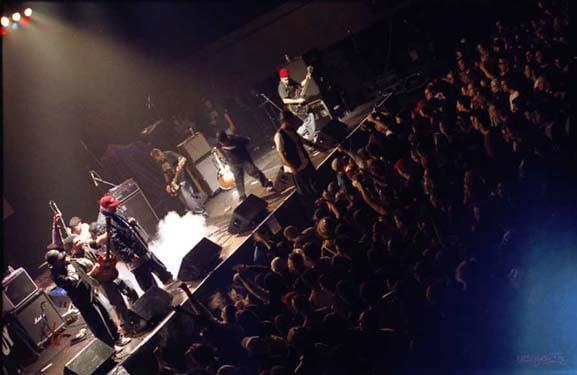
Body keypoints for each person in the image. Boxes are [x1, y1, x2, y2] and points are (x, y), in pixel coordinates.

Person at [44, 248, 129, 347]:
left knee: (106, 316)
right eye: (60, 259)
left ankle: (117, 338)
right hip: (83, 301)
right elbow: (73, 281)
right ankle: (110, 347)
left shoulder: (66, 265)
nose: (64, 259)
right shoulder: (57, 276)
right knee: (98, 324)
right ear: (55, 263)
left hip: (90, 294)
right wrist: (71, 268)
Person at [96, 195, 174, 292]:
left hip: (140, 247)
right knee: (149, 285)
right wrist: (130, 255)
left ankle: (174, 285)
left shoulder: (114, 211)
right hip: (133, 256)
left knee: (162, 271)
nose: (115, 208)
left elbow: (123, 221)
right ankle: (162, 302)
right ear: (106, 208)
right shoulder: (103, 224)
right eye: (112, 207)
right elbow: (115, 243)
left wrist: (129, 222)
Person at [215, 131, 273, 201]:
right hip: (233, 163)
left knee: (254, 172)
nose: (223, 143)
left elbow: (247, 140)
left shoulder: (235, 138)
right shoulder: (219, 144)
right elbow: (220, 151)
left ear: (226, 138)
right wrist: (226, 160)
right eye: (221, 142)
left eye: (224, 141)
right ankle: (242, 197)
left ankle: (267, 184)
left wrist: (240, 146)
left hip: (244, 159)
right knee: (238, 180)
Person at [274, 111, 319, 198]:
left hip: (305, 162)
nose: (293, 122)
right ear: (285, 121)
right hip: (297, 168)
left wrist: (318, 147)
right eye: (291, 120)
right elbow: (281, 154)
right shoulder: (279, 135)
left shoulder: (292, 131)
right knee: (305, 191)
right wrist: (292, 167)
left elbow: (303, 141)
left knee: (316, 184)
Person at [150, 148, 207, 216]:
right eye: (158, 158)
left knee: (187, 196)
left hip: (181, 178)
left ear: (160, 153)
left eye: (159, 156)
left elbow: (183, 158)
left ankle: (201, 211)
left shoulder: (169, 154)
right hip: (174, 182)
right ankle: (198, 206)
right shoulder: (160, 162)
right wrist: (168, 184)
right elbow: (166, 173)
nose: (160, 159)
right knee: (184, 198)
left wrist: (180, 163)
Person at [277, 67, 319, 142]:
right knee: (309, 118)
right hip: (295, 107)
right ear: (281, 78)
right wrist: (297, 100)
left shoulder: (290, 81)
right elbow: (284, 100)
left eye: (288, 78)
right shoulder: (281, 87)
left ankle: (308, 135)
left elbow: (300, 85)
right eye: (285, 80)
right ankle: (302, 133)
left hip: (302, 103)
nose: (287, 81)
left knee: (310, 117)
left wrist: (306, 79)